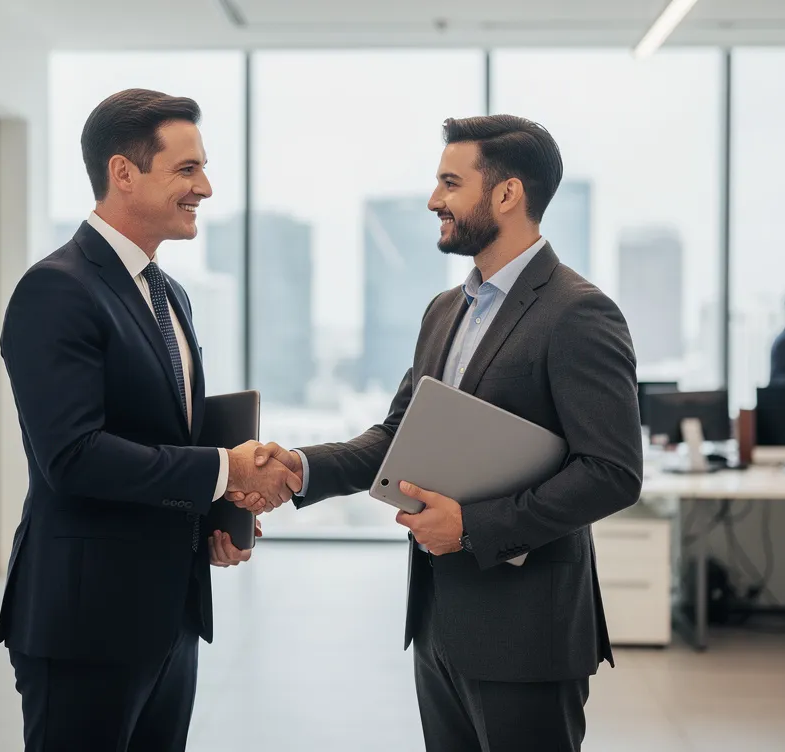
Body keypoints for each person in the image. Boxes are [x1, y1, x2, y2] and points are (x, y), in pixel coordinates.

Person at [236, 115, 642, 752]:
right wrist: (298, 468)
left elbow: (614, 472)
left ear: (506, 195)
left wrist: (474, 527)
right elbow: (398, 435)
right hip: (439, 621)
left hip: (528, 629)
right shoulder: (446, 310)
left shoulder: (579, 312)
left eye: (450, 183)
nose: (434, 201)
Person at [0, 89, 300, 752]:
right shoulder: (57, 290)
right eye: (186, 169)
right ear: (122, 173)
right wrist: (225, 470)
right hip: (86, 624)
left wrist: (221, 517)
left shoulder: (169, 293)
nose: (206, 187)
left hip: (170, 616)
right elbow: (73, 457)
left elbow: (170, 437)